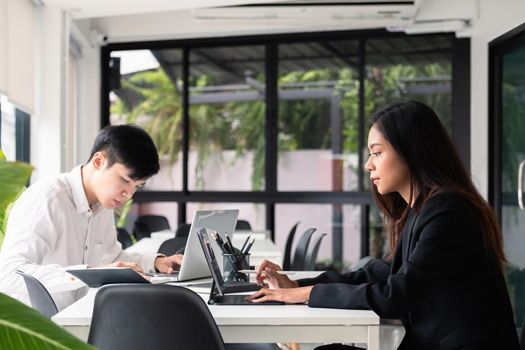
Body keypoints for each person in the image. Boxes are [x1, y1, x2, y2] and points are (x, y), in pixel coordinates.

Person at [248, 101, 520, 350]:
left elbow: (395, 295)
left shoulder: (448, 211)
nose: (368, 165)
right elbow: (378, 273)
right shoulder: (422, 209)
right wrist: (295, 284)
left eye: (377, 153)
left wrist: (304, 294)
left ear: (412, 152)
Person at [0, 124, 182, 310]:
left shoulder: (103, 205)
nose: (129, 194)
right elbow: (7, 273)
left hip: (80, 316)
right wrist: (86, 275)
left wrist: (157, 262)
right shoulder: (48, 198)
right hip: (42, 328)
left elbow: (113, 257)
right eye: (125, 180)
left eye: (136, 186)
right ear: (98, 161)